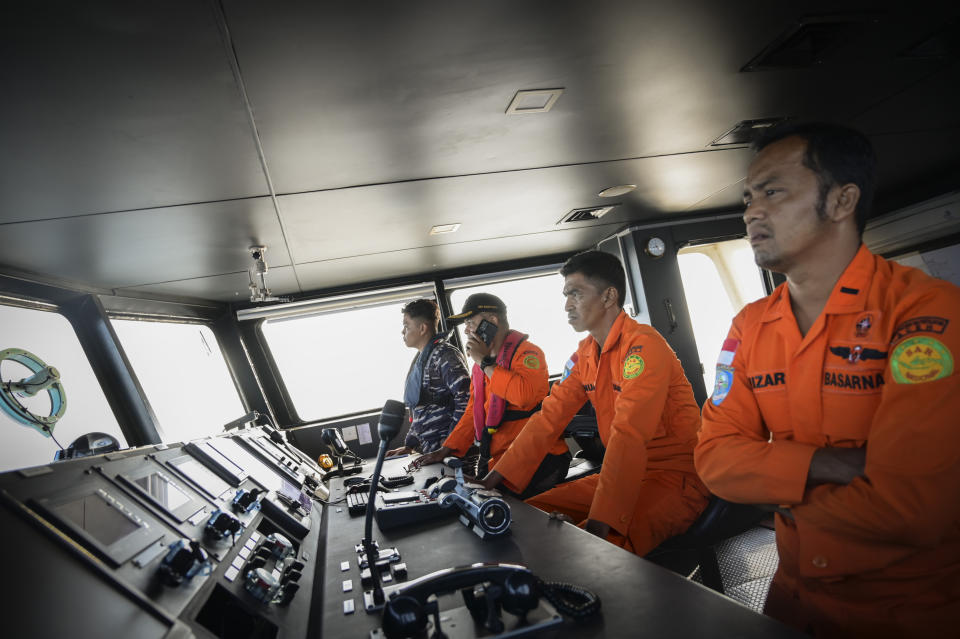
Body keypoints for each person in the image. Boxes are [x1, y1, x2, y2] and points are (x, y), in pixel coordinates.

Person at [694, 122, 960, 638]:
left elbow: (912, 509)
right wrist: (827, 463)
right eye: (748, 197)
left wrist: (776, 488)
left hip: (909, 609)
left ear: (842, 200)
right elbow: (714, 460)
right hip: (792, 599)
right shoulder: (750, 325)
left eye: (773, 191)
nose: (751, 211)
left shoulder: (925, 312)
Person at [481, 251, 709, 556]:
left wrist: (601, 522)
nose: (566, 304)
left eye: (576, 293)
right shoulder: (585, 354)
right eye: (565, 295)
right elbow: (548, 418)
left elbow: (629, 433)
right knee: (524, 521)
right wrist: (490, 482)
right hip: (621, 476)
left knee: (595, 550)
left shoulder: (643, 346)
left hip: (674, 478)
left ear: (608, 296)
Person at [412, 293, 571, 498]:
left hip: (539, 459)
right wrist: (447, 449)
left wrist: (485, 363)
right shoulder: (480, 366)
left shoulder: (529, 354)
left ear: (492, 321)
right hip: (496, 461)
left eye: (470, 322)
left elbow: (525, 397)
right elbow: (473, 411)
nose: (467, 330)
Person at [386, 299, 470, 457]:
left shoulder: (445, 355)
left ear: (422, 328)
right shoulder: (423, 359)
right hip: (429, 451)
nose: (402, 332)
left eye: (406, 325)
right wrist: (410, 445)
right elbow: (422, 408)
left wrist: (449, 444)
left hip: (448, 454)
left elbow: (467, 399)